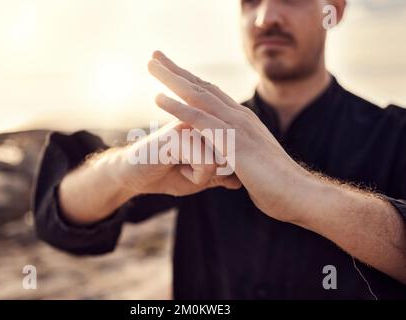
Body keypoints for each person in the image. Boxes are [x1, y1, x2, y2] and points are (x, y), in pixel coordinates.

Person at [32, 0, 406, 299]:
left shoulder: (396, 135)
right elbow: (58, 218)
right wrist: (123, 170)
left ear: (334, 10)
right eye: (249, 1)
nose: (264, 17)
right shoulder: (202, 135)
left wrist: (307, 194)